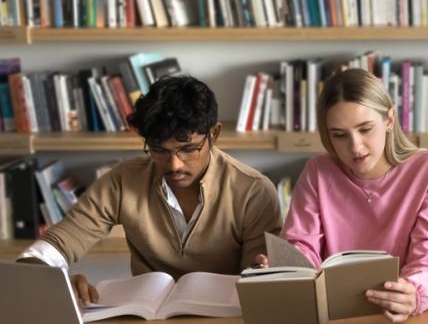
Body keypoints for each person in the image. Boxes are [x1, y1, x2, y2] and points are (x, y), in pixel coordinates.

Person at [18, 75, 282, 302]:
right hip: (147, 322)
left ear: (214, 134)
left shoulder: (253, 191)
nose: (174, 164)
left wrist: (267, 273)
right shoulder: (123, 181)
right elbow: (51, 248)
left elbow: (257, 285)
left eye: (188, 149)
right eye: (158, 150)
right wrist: (54, 283)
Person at [277, 68, 428, 323]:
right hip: (337, 318)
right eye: (339, 135)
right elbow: (302, 244)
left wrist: (413, 291)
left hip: (409, 313)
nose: (355, 147)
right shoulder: (318, 172)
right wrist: (288, 268)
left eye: (365, 129)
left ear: (389, 120)